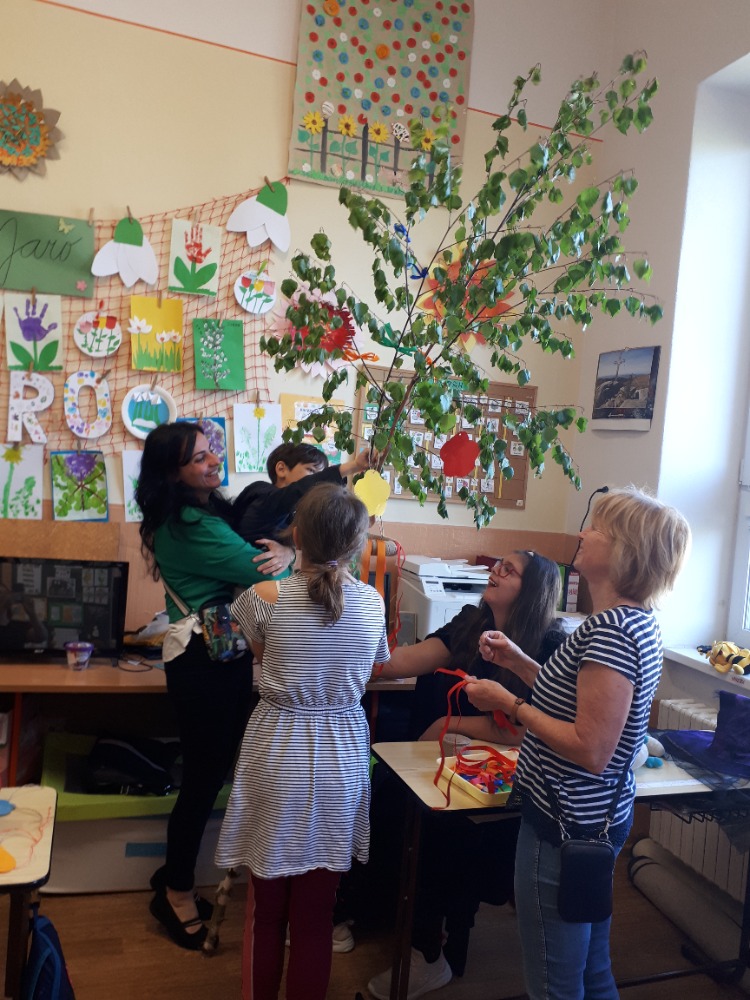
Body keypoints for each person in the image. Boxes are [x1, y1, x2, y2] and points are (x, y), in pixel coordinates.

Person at [466, 486, 691, 1000]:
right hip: (594, 818)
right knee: (591, 971)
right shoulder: (631, 623)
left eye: (598, 528)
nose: (584, 533)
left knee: (555, 983)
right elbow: (578, 701)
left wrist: (510, 702)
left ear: (625, 553)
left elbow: (591, 747)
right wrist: (519, 662)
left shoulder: (611, 631)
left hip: (563, 824)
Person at [216, 482, 390, 1000]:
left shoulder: (264, 598)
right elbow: (375, 665)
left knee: (266, 910)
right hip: (342, 756)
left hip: (280, 750)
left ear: (295, 535)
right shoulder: (372, 603)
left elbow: (257, 655)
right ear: (357, 544)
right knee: (316, 917)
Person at [366, 550, 566, 1000]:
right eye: (498, 564)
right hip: (458, 765)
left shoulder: (551, 644)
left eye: (509, 570)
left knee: (436, 828)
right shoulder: (470, 623)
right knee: (386, 792)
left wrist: (451, 722)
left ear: (532, 590)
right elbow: (401, 661)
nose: (496, 571)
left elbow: (531, 727)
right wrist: (350, 647)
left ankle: (429, 953)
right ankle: (380, 914)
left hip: (509, 785)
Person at [135, 422, 294, 951]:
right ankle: (176, 892)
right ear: (172, 474)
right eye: (198, 459)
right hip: (204, 663)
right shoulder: (188, 523)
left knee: (207, 776)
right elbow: (264, 572)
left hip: (214, 658)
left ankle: (173, 877)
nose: (212, 462)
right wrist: (293, 557)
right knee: (202, 782)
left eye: (211, 452)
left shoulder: (199, 513)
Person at [231, 441, 371, 546]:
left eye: (319, 474)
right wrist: (355, 466)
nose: (316, 481)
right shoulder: (262, 494)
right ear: (281, 469)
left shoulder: (295, 510)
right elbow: (297, 491)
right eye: (311, 471)